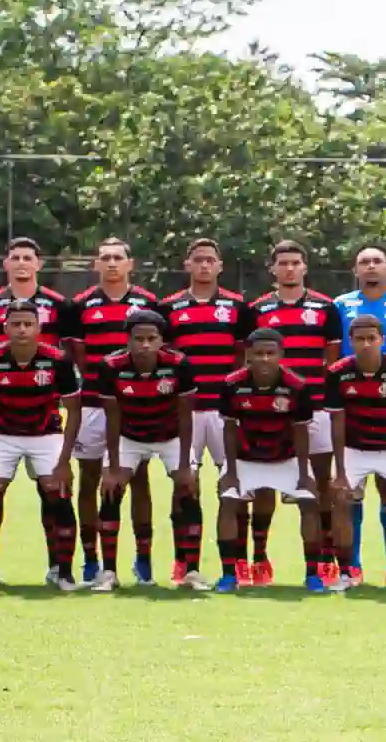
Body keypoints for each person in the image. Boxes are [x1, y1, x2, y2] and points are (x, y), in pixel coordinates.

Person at [0, 237, 76, 583]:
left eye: (27, 324)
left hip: (45, 433)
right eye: (15, 324)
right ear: (4, 327)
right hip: (0, 434)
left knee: (57, 493)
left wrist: (63, 460)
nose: (21, 329)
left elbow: (73, 410)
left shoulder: (57, 361)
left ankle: (61, 572)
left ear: (39, 327)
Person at [247, 240, 342, 585]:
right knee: (263, 484)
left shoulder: (325, 307)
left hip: (314, 408)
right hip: (268, 410)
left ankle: (326, 556)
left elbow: (331, 362)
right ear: (272, 269)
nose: (289, 268)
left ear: (305, 267)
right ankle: (259, 557)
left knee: (319, 482)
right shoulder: (257, 309)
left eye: (295, 263)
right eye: (283, 263)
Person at [92, 310, 206, 591]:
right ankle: (109, 573)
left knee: (188, 487)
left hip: (170, 436)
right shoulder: (111, 365)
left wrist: (184, 465)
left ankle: (191, 571)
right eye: (138, 339)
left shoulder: (179, 364)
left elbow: (185, 416)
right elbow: (113, 417)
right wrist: (114, 466)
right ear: (127, 340)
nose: (145, 344)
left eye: (151, 338)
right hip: (129, 436)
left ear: (161, 340)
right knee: (110, 489)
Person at [69, 237, 158, 586]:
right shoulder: (81, 305)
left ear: (129, 264)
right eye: (104, 257)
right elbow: (77, 352)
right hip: (93, 404)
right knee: (90, 480)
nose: (111, 263)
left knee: (138, 480)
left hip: (137, 404)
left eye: (117, 258)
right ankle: (91, 559)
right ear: (95, 265)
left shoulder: (148, 303)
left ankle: (143, 559)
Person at [160, 238, 250, 586]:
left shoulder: (237, 306)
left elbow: (245, 354)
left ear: (220, 265)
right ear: (187, 265)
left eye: (210, 260)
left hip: (225, 412)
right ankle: (186, 562)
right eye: (198, 260)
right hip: (186, 411)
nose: (204, 266)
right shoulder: (169, 307)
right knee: (185, 483)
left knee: (233, 486)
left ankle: (235, 563)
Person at [333, 243, 386, 583]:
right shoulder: (340, 306)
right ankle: (349, 567)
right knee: (343, 496)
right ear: (355, 270)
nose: (370, 267)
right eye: (363, 262)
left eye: (376, 261)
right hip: (353, 418)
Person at [216, 329, 323, 593]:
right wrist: (230, 470)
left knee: (310, 503)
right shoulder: (232, 384)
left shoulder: (297, 386)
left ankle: (312, 575)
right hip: (246, 457)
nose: (264, 359)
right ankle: (229, 575)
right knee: (228, 501)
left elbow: (300, 431)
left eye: (270, 353)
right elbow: (230, 429)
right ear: (248, 355)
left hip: (285, 458)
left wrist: (303, 472)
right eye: (258, 354)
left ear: (281, 355)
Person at [325, 316, 386, 594]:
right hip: (354, 449)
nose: (366, 345)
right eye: (359, 339)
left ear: (382, 341)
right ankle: (345, 571)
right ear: (350, 342)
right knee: (339, 496)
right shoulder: (337, 373)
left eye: (371, 339)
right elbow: (337, 424)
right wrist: (340, 473)